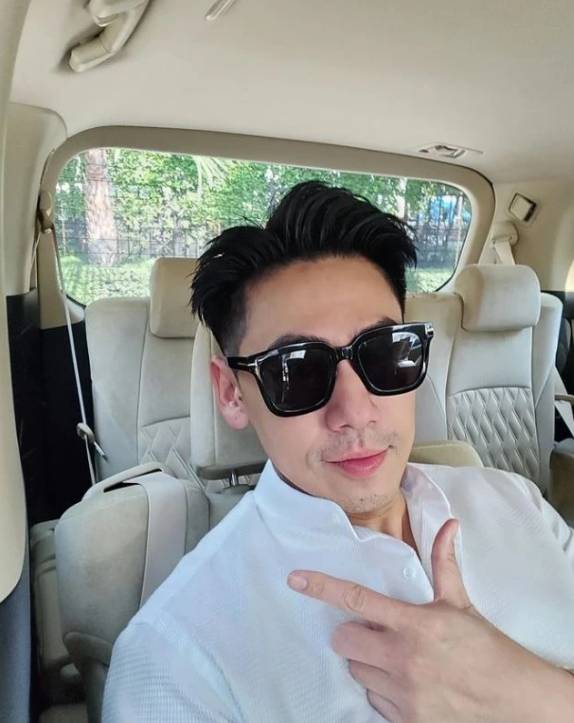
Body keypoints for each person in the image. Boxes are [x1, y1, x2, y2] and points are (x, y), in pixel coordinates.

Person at [103, 181, 574, 722]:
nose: (355, 411)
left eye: (385, 353)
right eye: (296, 371)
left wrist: (535, 698)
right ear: (232, 394)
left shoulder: (516, 501)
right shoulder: (176, 659)